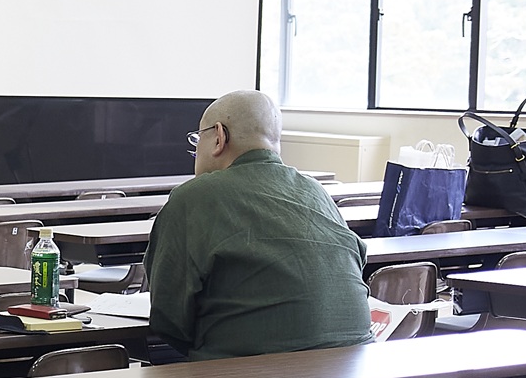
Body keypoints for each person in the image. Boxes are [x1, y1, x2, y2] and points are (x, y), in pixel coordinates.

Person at [145, 89, 371, 360]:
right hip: (355, 370)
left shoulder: (193, 197)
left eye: (197, 138)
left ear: (218, 136)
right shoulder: (316, 191)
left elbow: (168, 319)